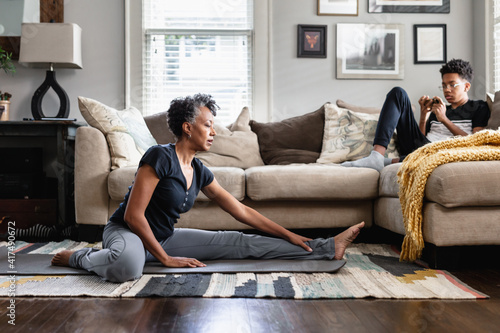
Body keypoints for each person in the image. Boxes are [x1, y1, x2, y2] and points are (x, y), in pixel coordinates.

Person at [52, 93, 365, 283]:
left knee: (238, 243)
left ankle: (326, 247)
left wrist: (288, 233)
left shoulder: (199, 170)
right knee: (128, 266)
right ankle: (83, 258)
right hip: (126, 232)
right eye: (207, 125)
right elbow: (134, 216)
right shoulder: (159, 157)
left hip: (162, 237)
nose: (214, 131)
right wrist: (165, 259)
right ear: (187, 128)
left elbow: (241, 211)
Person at [341, 58, 491, 172]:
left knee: (424, 152)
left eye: (452, 85)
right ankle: (377, 156)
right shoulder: (440, 107)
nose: (447, 90)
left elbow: (475, 143)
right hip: (421, 149)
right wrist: (423, 115)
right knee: (398, 93)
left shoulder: (479, 107)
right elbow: (419, 139)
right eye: (444, 85)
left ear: (466, 86)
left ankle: (391, 162)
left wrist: (444, 120)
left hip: (443, 151)